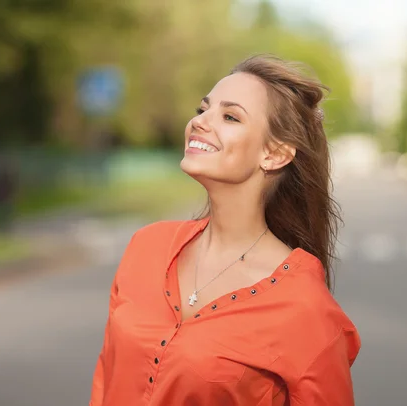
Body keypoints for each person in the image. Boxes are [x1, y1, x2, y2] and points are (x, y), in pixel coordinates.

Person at [89, 55, 361, 406]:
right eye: (203, 109)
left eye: (230, 116)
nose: (201, 122)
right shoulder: (147, 246)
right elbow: (105, 380)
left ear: (275, 154)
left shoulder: (304, 306)